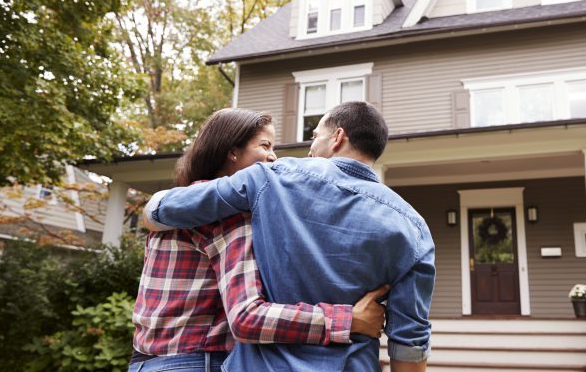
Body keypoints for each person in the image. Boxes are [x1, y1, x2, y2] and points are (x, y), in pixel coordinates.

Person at [143, 101, 435, 372]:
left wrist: (152, 210)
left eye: (314, 137)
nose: (309, 151)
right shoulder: (414, 228)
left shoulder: (271, 177)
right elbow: (410, 340)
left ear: (337, 137)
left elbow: (163, 209)